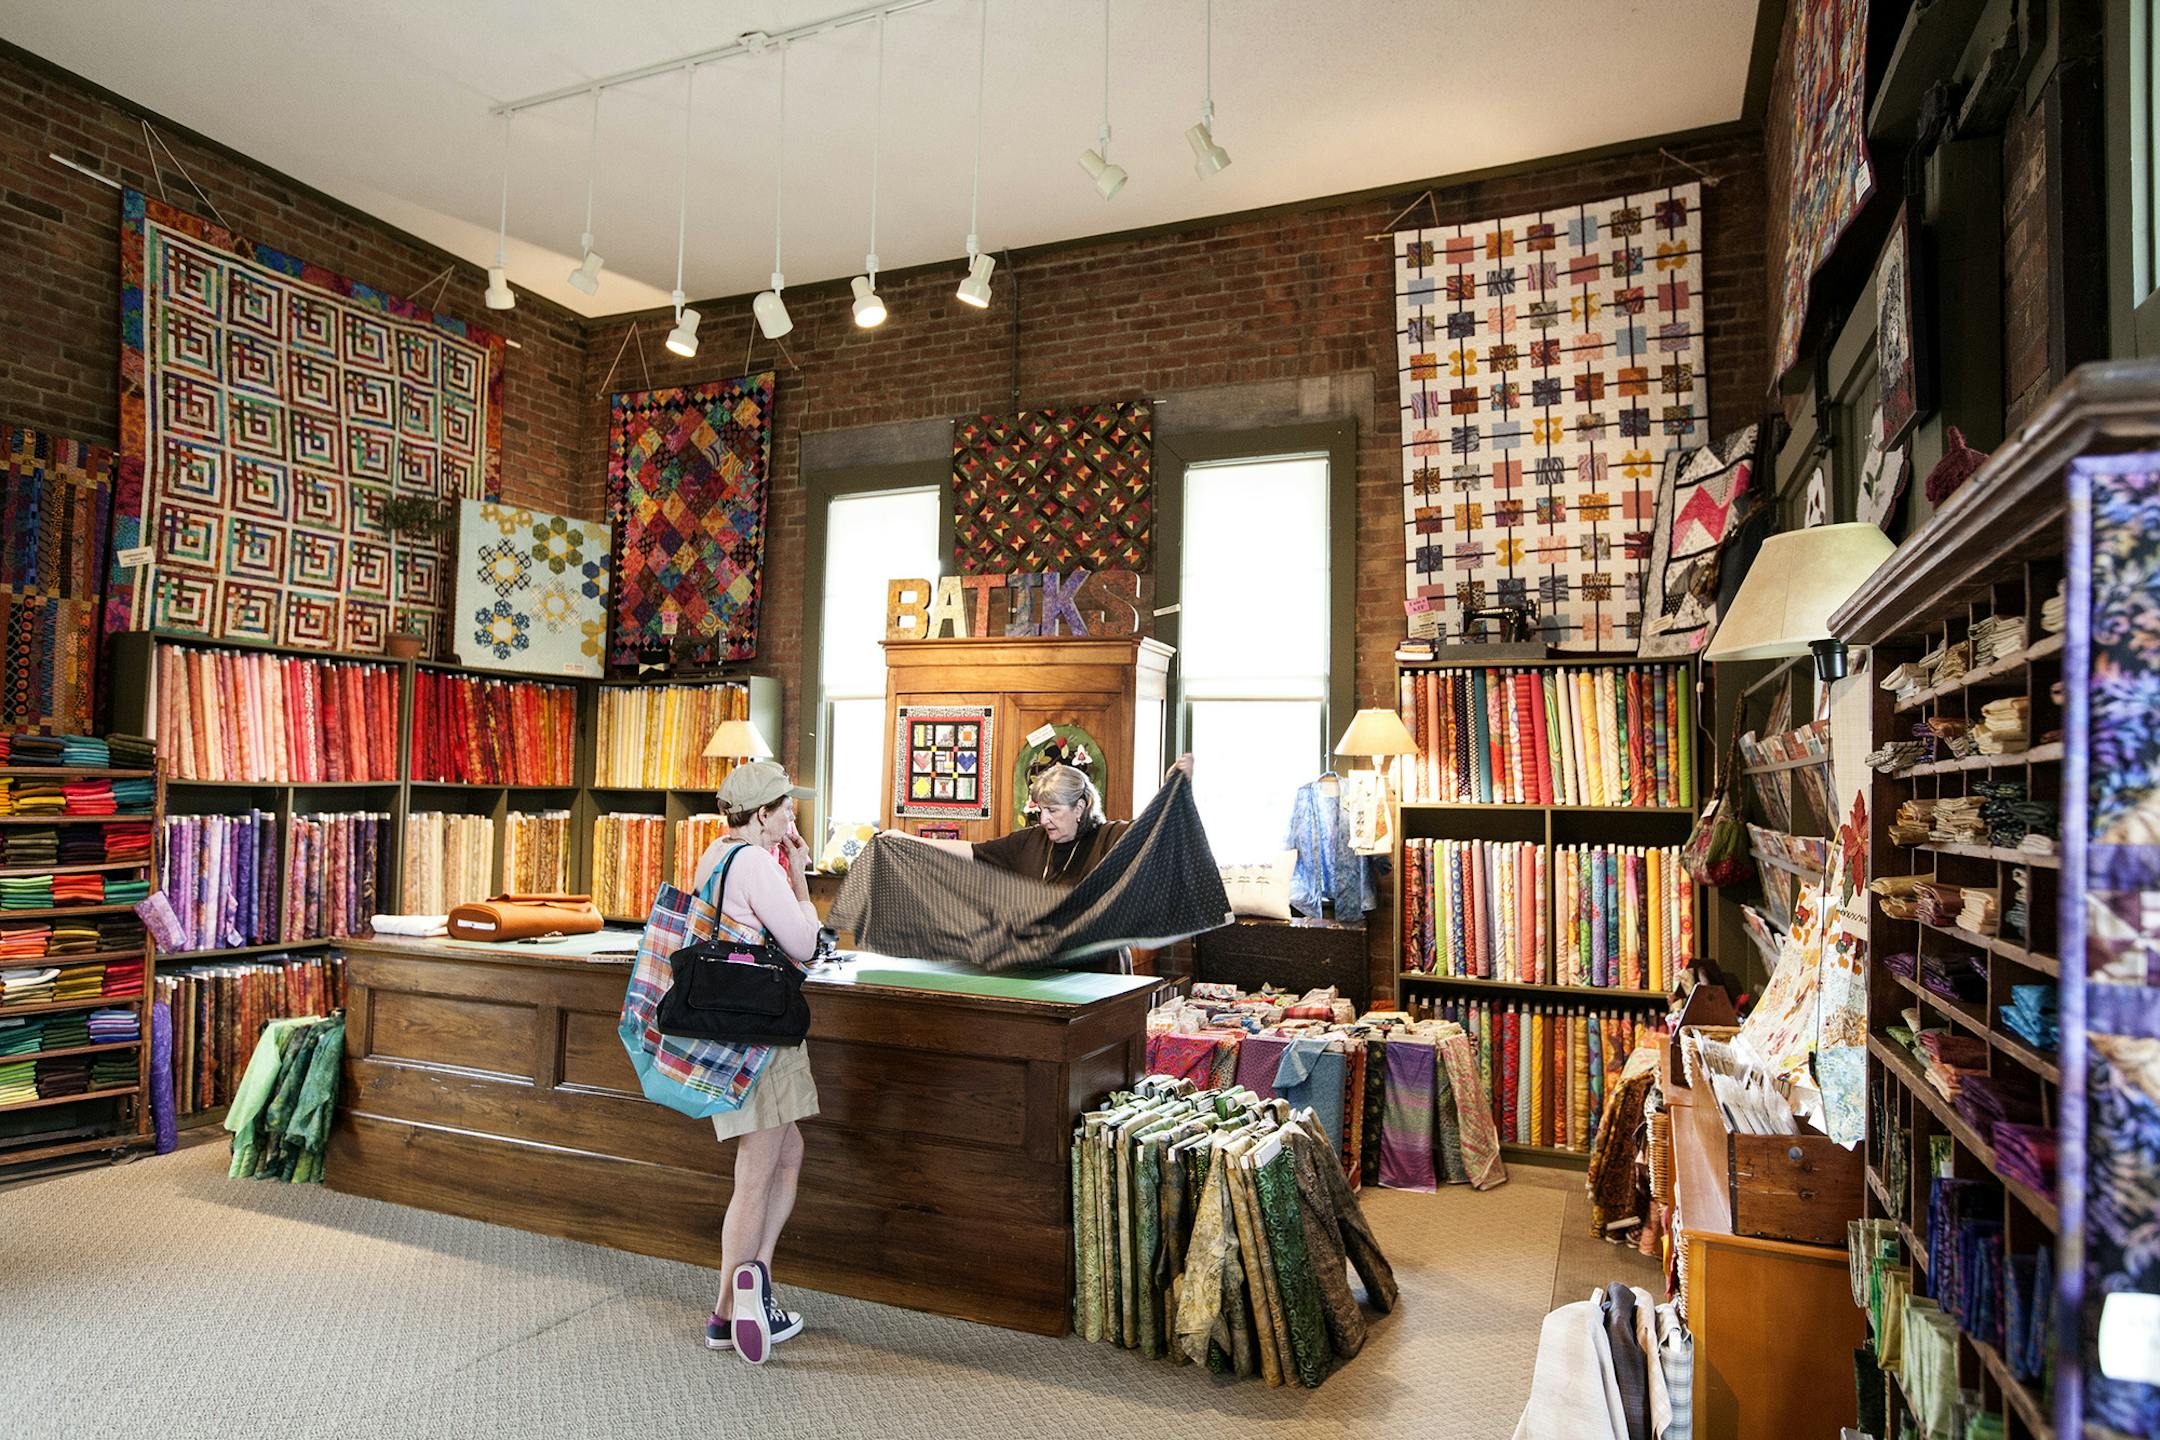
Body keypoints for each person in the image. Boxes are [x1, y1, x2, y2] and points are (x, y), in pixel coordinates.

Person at [689, 760, 822, 1367]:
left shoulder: (714, 854)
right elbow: (802, 945)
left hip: (729, 1030)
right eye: (784, 808)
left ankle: (757, 1282)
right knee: (756, 1171)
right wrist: (798, 876)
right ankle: (727, 1309)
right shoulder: (755, 865)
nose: (791, 817)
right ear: (762, 814)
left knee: (786, 1152)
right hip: (762, 1035)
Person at [894, 753, 1194, 972]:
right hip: (1046, 972)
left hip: (1100, 975)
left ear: (1079, 807)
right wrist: (907, 840)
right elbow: (972, 851)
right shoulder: (1030, 841)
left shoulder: (1111, 838)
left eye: (1053, 810)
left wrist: (1175, 787)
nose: (1045, 819)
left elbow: (1159, 832)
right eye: (1041, 810)